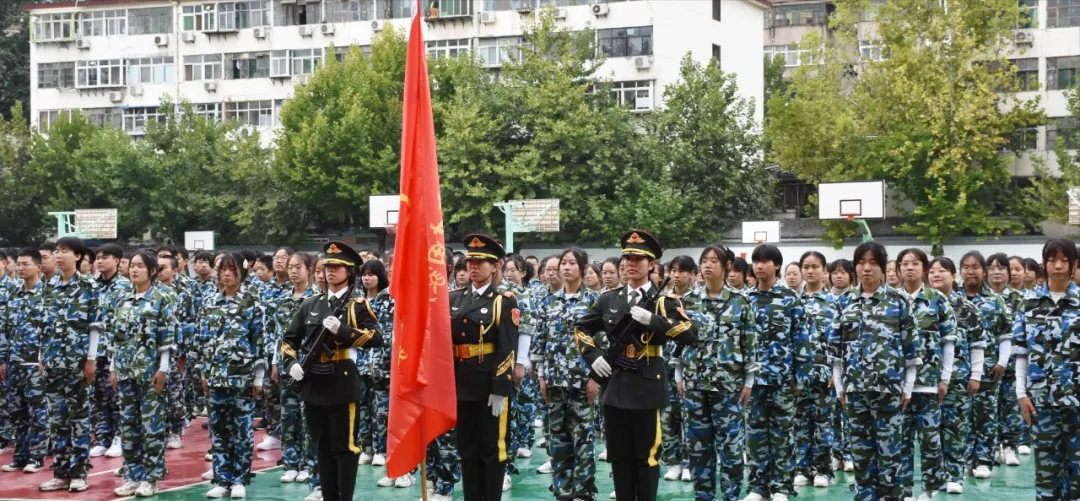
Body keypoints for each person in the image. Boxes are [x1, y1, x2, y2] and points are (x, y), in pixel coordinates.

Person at [575, 229, 697, 501]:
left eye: (639, 259)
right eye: (627, 258)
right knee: (619, 456)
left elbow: (690, 333)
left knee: (646, 457)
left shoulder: (664, 302)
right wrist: (593, 357)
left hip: (646, 384)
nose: (631, 264)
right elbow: (581, 328)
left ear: (651, 264)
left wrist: (654, 321)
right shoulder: (609, 298)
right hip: (615, 384)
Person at [281, 241, 384, 501]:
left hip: (341, 382)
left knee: (345, 447)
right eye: (328, 266)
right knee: (322, 446)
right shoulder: (311, 304)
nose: (330, 271)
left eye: (337, 267)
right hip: (314, 383)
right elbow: (289, 339)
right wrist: (291, 364)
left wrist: (343, 331)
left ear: (349, 271)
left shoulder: (357, 305)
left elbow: (376, 337)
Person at [829, 241, 919, 501]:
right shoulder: (844, 302)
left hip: (889, 389)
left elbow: (911, 351)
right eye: (861, 263)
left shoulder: (899, 302)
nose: (866, 268)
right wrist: (840, 386)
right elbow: (836, 351)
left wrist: (908, 388)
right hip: (855, 390)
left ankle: (890, 497)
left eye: (873, 263)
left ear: (883, 267)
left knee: (890, 451)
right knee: (860, 451)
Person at [679, 244, 757, 501]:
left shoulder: (740, 301)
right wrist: (679, 376)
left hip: (729, 386)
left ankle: (731, 496)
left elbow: (749, 343)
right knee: (698, 447)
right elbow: (678, 342)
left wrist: (748, 382)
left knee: (731, 448)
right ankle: (704, 496)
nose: (708, 265)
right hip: (695, 384)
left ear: (726, 266)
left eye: (714, 260)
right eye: (704, 260)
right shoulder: (688, 301)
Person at [448, 233, 520, 501]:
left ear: (495, 266)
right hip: (460, 383)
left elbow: (507, 346)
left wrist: (500, 387)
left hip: (489, 385)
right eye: (471, 261)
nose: (474, 267)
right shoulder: (454, 298)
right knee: (467, 450)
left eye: (481, 262)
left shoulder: (504, 300)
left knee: (492, 450)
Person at [1014, 238, 1080, 501]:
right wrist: (1021, 393)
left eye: (1064, 261)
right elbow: (1021, 353)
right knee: (1046, 474)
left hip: (1077, 400)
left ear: (1074, 265)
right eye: (1053, 260)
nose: (1058, 266)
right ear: (1045, 264)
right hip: (1041, 401)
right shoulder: (1028, 304)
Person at [532, 248, 600, 501]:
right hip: (554, 380)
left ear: (583, 269)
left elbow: (601, 342)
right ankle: (563, 490)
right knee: (557, 438)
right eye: (564, 263)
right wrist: (541, 377)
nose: (566, 267)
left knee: (583, 438)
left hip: (582, 381)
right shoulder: (547, 301)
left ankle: (583, 491)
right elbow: (540, 341)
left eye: (572, 263)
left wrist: (595, 378)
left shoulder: (594, 301)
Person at [743, 244, 809, 501]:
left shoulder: (790, 298)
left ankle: (782, 486)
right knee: (755, 435)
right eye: (756, 261)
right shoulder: (745, 299)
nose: (759, 266)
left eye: (765, 261)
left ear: (777, 265)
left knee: (782, 434)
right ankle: (758, 487)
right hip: (753, 381)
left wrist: (799, 377)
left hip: (782, 379)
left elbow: (801, 338)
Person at [198, 252, 266, 499]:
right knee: (219, 429)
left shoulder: (252, 302)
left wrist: (258, 378)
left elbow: (259, 342)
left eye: (232, 269)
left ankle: (239, 479)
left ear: (242, 273)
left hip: (242, 378)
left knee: (242, 430)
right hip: (216, 377)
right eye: (222, 269)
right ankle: (222, 478)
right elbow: (203, 341)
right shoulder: (209, 302)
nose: (226, 274)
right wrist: (204, 374)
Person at [110, 251, 176, 498]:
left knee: (152, 427)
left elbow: (167, 337)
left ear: (152, 271)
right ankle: (133, 475)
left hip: (150, 372)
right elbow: (116, 338)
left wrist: (163, 368)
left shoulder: (162, 299)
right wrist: (114, 367)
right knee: (129, 426)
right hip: (126, 371)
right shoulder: (122, 300)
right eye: (132, 266)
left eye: (140, 266)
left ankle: (151, 478)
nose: (134, 270)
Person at [894, 248, 954, 501]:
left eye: (915, 263)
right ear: (898, 269)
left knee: (930, 440)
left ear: (924, 269)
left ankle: (929, 489)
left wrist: (945, 378)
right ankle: (905, 489)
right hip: (897, 385)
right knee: (901, 440)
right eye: (905, 263)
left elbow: (948, 340)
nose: (909, 267)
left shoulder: (936, 299)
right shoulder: (891, 300)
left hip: (928, 383)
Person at [39, 236, 96, 493]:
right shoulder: (49, 285)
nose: (59, 255)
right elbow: (44, 326)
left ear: (78, 256)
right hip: (52, 362)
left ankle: (79, 473)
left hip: (77, 363)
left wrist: (91, 359)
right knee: (57, 420)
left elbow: (95, 326)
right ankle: (61, 473)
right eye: (57, 251)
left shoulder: (88, 286)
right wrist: (41, 357)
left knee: (79, 419)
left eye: (65, 251)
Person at [927, 257, 985, 495]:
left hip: (959, 378)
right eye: (932, 271)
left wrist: (976, 374)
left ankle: (954, 475)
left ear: (953, 275)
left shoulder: (966, 307)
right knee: (930, 431)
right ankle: (934, 477)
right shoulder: (924, 305)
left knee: (955, 428)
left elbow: (977, 343)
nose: (936, 274)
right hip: (928, 379)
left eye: (942, 270)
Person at [959, 251, 1011, 480]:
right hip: (961, 368)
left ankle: (983, 460)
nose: (970, 271)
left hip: (989, 368)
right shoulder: (953, 299)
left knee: (986, 415)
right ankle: (965, 459)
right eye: (966, 267)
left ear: (983, 271)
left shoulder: (994, 301)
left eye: (975, 267)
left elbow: (1005, 334)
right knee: (961, 416)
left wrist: (1002, 361)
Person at [0, 248, 49, 475]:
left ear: (38, 267)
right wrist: (3, 359)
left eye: (25, 264)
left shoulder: (47, 294)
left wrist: (43, 358)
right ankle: (20, 456)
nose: (20, 268)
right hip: (14, 362)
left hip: (34, 363)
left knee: (37, 412)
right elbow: (5, 329)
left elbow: (50, 331)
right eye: (18, 264)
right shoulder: (13, 294)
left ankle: (37, 456)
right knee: (17, 412)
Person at [275, 252, 318, 487]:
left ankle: (308, 465)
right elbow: (277, 335)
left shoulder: (317, 299)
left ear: (309, 269)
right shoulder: (282, 299)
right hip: (287, 366)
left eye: (298, 267)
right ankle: (291, 464)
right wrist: (276, 362)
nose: (293, 271)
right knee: (288, 415)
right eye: (290, 267)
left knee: (308, 417)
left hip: (310, 368)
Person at [793, 251, 835, 489]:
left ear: (824, 271)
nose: (810, 271)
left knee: (823, 423)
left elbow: (839, 340)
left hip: (823, 374)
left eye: (815, 267)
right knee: (799, 422)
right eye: (806, 267)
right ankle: (803, 468)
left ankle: (823, 470)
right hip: (799, 374)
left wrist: (835, 370)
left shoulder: (833, 302)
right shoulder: (793, 300)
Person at [89, 243, 131, 459]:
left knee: (117, 397)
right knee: (99, 397)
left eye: (105, 257)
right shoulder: (91, 285)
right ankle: (102, 438)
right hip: (95, 351)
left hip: (115, 351)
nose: (100, 261)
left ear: (117, 261)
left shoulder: (125, 286)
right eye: (98, 257)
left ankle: (120, 437)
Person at [986, 252, 1026, 467]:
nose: (996, 272)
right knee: (987, 410)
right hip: (986, 364)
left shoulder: (1019, 299)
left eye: (1001, 268)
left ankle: (1009, 446)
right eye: (992, 268)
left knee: (1011, 407)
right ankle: (991, 448)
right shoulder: (981, 298)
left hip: (1012, 365)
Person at [661, 255, 697, 482]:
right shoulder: (663, 300)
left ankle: (688, 462)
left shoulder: (696, 301)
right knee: (668, 416)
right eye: (673, 270)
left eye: (681, 271)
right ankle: (673, 461)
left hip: (689, 368)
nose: (676, 275)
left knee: (689, 416)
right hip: (664, 367)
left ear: (692, 274)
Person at [157, 254, 195, 451]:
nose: (159, 271)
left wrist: (183, 357)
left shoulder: (183, 292)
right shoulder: (151, 291)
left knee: (174, 394)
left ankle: (175, 431)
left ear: (174, 269)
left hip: (175, 351)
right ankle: (160, 431)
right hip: (154, 353)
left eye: (163, 267)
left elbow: (188, 325)